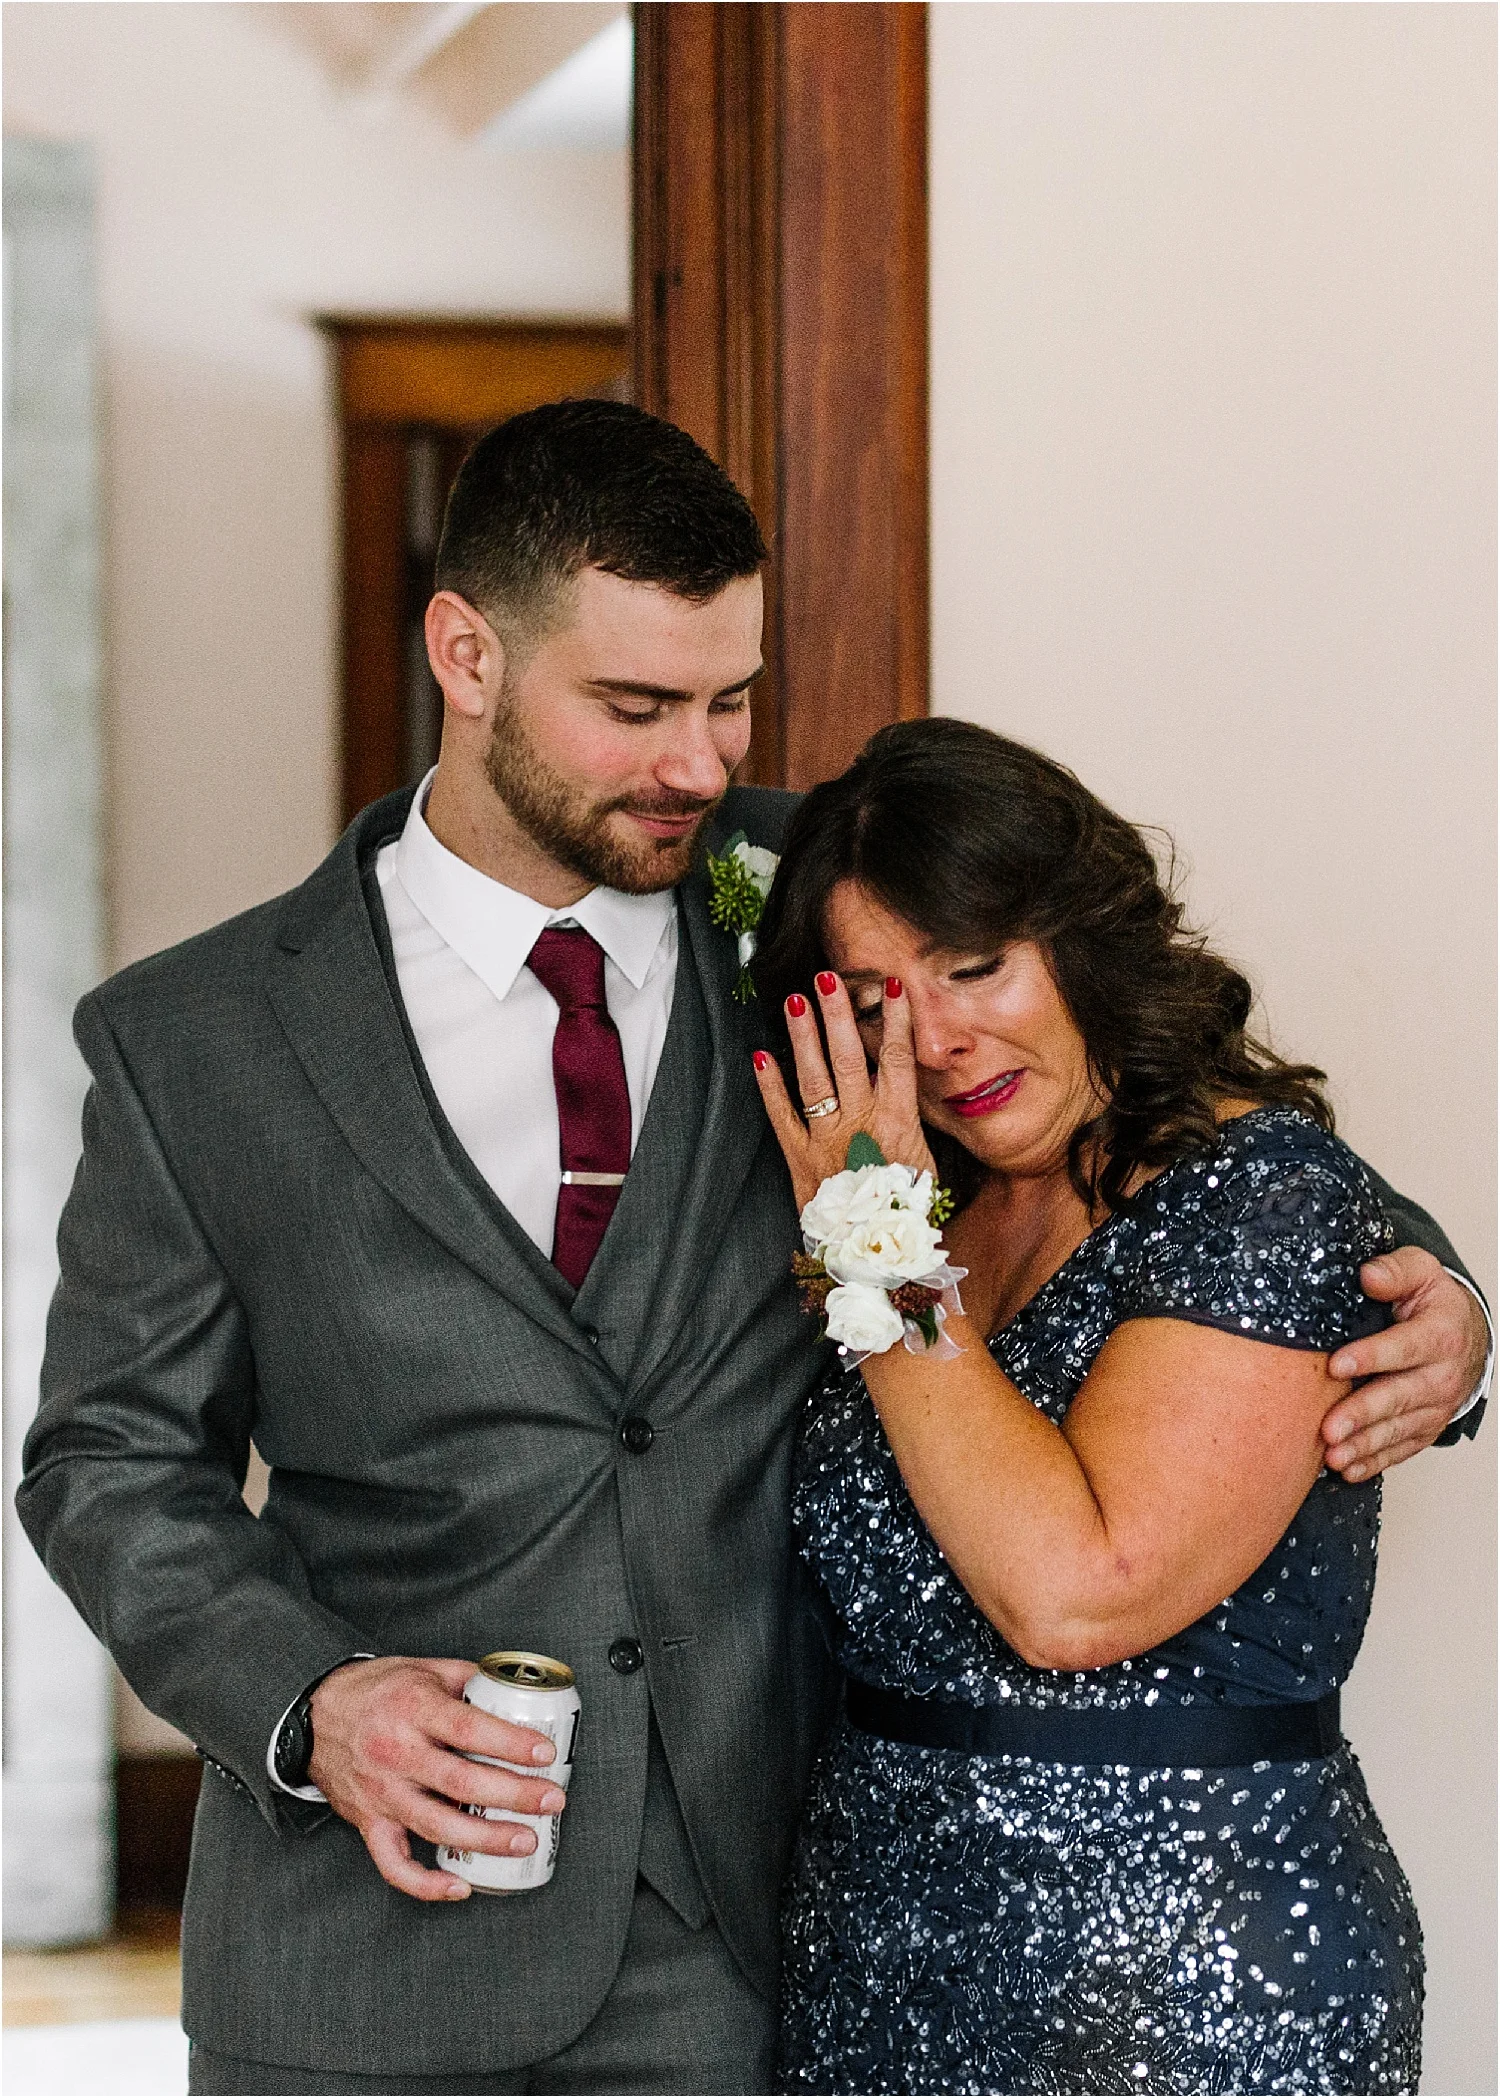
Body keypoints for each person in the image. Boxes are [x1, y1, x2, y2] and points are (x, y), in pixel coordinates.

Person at [15, 405, 1484, 2098]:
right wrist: (311, 1698)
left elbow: (1181, 1127)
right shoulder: (193, 1038)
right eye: (636, 708)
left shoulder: (815, 901)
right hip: (356, 1957)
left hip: (758, 1939)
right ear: (467, 655)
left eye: (731, 701)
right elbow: (110, 1460)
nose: (700, 768)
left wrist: (1446, 1303)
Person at [751, 718, 1470, 2095]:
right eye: (883, 999)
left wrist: (875, 1249)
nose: (939, 1040)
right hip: (874, 1964)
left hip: (1186, 1992)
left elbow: (1075, 1596)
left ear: (1081, 933)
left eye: (976, 966)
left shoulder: (1259, 1195)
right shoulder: (929, 1183)